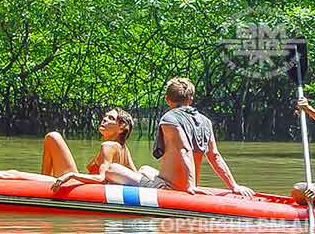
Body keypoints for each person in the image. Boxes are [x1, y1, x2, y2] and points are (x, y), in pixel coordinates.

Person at [102, 77, 255, 197]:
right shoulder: (205, 121)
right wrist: (234, 186)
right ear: (191, 99)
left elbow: (184, 150)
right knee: (144, 169)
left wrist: (190, 186)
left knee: (111, 169)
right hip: (178, 181)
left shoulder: (170, 119)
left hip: (169, 187)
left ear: (168, 99)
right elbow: (214, 156)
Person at [0, 108, 137, 189]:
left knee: (11, 174)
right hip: (76, 184)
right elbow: (135, 177)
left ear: (122, 128)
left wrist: (72, 176)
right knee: (53, 137)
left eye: (111, 118)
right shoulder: (123, 149)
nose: (104, 119)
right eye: (105, 116)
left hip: (77, 186)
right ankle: (43, 180)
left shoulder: (108, 146)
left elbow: (101, 178)